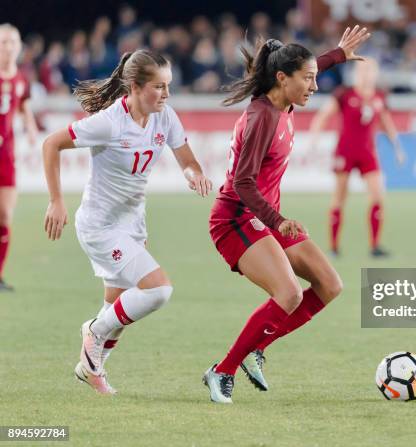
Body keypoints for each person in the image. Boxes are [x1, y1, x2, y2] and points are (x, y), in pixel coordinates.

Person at [204, 26, 370, 403]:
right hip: (236, 220)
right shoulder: (263, 116)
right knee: (289, 293)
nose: (314, 85)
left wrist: (338, 54)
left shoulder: (284, 101)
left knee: (329, 285)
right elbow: (243, 183)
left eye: (315, 77)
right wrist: (278, 221)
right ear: (283, 78)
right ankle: (222, 370)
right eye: (308, 79)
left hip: (265, 216)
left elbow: (308, 68)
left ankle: (255, 348)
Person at [42, 49, 212, 394]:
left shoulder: (165, 116)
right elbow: (51, 143)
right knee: (158, 290)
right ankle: (92, 330)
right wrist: (56, 200)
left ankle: (92, 368)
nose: (166, 94)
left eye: (168, 86)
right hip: (100, 227)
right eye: (159, 87)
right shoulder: (109, 122)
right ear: (134, 87)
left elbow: (188, 161)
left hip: (132, 223)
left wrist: (194, 175)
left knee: (118, 308)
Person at [309, 58, 405, 257]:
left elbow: (386, 123)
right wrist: (314, 141)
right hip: (345, 152)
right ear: (356, 73)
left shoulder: (379, 97)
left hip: (368, 153)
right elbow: (322, 116)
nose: (366, 73)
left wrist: (397, 148)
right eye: (362, 69)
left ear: (376, 73)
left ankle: (375, 245)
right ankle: (334, 247)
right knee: (340, 198)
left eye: (370, 70)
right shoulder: (344, 94)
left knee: (378, 196)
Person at [0, 24, 37, 291]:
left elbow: (23, 104)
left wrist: (31, 127)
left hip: (7, 154)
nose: (9, 47)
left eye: (13, 42)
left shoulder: (21, 77)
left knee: (4, 216)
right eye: (3, 42)